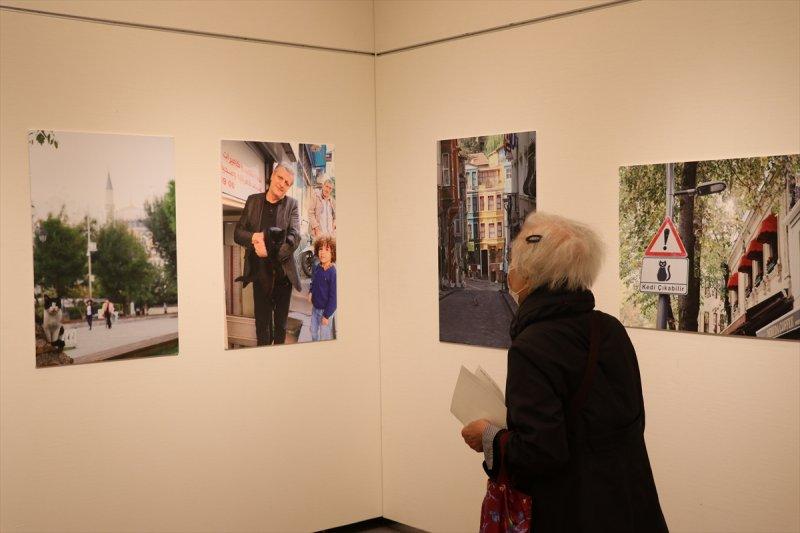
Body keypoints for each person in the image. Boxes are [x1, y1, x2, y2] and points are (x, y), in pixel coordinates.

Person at [461, 212, 667, 532]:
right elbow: (631, 421)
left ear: (528, 276)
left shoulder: (531, 347)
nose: (509, 275)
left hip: (573, 511)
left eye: (512, 265)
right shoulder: (610, 329)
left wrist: (488, 436)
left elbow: (540, 453)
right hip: (630, 504)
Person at [234, 160, 301, 345]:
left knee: (280, 327)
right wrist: (254, 237)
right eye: (280, 178)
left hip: (282, 277)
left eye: (287, 183)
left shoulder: (292, 205)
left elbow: (295, 237)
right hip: (259, 276)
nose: (282, 184)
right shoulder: (253, 201)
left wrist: (270, 253)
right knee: (262, 327)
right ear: (272, 175)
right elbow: (238, 233)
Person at [307, 235, 337, 341]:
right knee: (313, 331)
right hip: (315, 308)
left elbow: (334, 298)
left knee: (324, 337)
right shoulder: (317, 267)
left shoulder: (333, 273)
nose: (322, 252)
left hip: (326, 312)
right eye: (320, 249)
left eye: (327, 250)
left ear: (333, 254)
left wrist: (326, 315)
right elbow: (313, 282)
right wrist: (311, 292)